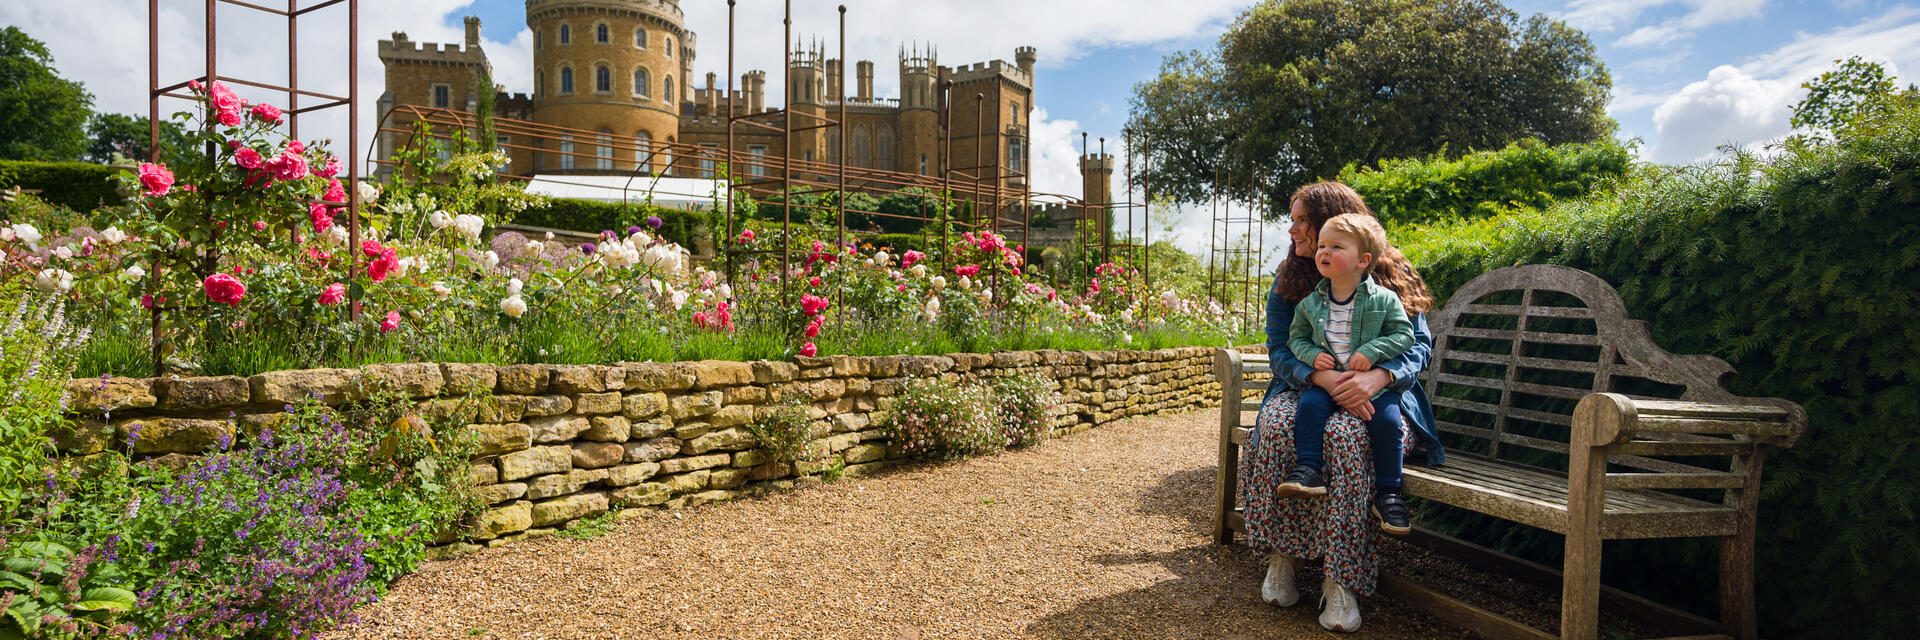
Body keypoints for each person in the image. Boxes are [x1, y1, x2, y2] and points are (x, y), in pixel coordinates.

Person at [1241, 181, 1442, 633]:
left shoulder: (1388, 275)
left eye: (1300, 220)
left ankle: (1341, 578)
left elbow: (1419, 347)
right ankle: (1283, 556)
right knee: (1275, 425)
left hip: (1379, 395)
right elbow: (1279, 348)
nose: (1291, 229)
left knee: (1347, 437)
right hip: (1308, 384)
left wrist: (1380, 376)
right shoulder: (1291, 279)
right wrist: (1319, 375)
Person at [1277, 214, 1416, 538]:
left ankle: (1389, 494)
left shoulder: (1384, 299)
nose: (1324, 251)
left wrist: (1372, 352)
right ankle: (1309, 470)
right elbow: (1295, 339)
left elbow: (1404, 335)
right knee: (1309, 408)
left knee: (1389, 424)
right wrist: (1312, 357)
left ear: (1363, 260)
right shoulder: (1311, 304)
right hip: (1327, 383)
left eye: (1336, 246)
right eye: (1322, 245)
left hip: (1372, 388)